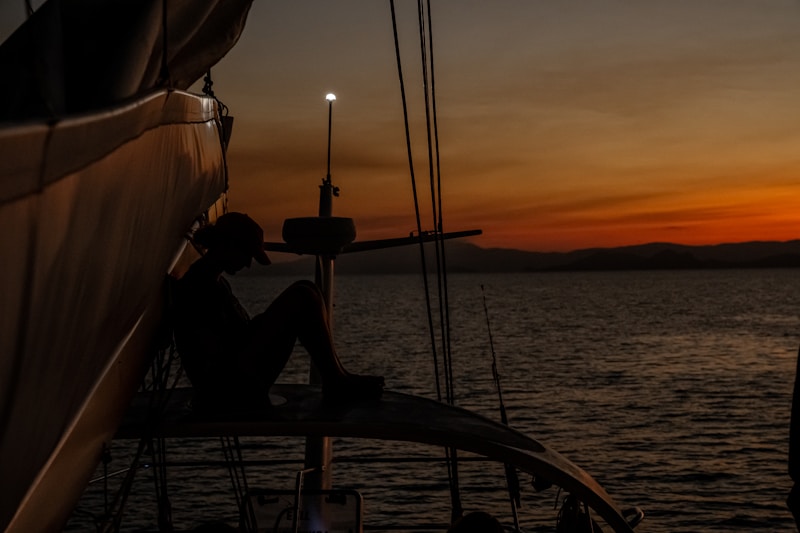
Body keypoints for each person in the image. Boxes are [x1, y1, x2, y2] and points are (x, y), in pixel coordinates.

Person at [172, 212, 384, 411]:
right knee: (301, 296)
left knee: (308, 290)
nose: (247, 264)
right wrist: (268, 326)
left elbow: (233, 338)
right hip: (227, 392)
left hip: (236, 380)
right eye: (247, 254)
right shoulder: (199, 287)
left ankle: (337, 376)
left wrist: (263, 326)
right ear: (227, 245)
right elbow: (216, 356)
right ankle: (336, 381)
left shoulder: (215, 283)